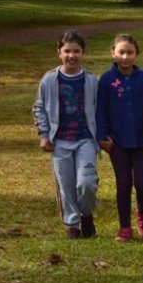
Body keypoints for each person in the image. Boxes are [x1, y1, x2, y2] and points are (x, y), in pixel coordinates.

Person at [33, 30, 101, 239]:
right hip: (60, 141)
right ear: (59, 53)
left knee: (86, 182)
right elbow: (40, 107)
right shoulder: (49, 79)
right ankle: (73, 224)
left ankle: (87, 214)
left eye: (76, 51)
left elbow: (100, 109)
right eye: (67, 51)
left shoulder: (90, 80)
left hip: (85, 140)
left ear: (83, 53)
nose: (72, 56)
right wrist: (44, 134)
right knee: (66, 184)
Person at [96, 33, 143, 242]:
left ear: (136, 54)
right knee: (123, 184)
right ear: (113, 52)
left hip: (142, 141)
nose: (125, 57)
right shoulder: (106, 80)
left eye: (129, 52)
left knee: (142, 183)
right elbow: (101, 110)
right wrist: (102, 136)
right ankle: (125, 227)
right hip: (117, 142)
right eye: (121, 52)